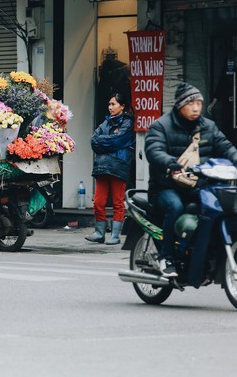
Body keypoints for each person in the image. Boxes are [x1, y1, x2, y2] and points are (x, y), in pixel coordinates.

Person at [145, 83, 237, 277]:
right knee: (175, 207)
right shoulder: (161, 126)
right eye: (191, 103)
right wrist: (171, 163)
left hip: (200, 186)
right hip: (166, 187)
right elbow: (154, 150)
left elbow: (226, 148)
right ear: (180, 105)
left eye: (199, 103)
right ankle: (167, 257)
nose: (196, 108)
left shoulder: (208, 127)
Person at [85, 93, 135, 245]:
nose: (110, 107)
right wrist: (107, 142)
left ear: (122, 106)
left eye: (113, 104)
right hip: (102, 167)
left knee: (118, 203)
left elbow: (118, 140)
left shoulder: (127, 123)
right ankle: (99, 232)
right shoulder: (105, 123)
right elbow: (93, 141)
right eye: (109, 104)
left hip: (119, 166)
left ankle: (115, 235)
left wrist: (103, 141)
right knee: (98, 202)